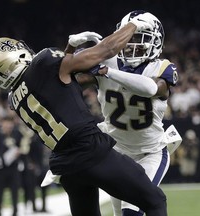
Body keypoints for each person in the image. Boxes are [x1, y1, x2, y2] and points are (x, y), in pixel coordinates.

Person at [0, 13, 169, 216]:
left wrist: (70, 48)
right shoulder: (43, 62)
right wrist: (134, 24)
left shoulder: (13, 99)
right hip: (91, 151)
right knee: (155, 201)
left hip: (66, 167)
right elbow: (106, 50)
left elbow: (61, 82)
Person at [74, 10, 182, 216]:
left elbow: (151, 88)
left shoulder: (162, 68)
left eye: (141, 39)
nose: (133, 45)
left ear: (156, 43)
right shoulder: (108, 61)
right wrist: (79, 52)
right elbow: (69, 79)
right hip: (116, 153)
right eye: (129, 39)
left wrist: (108, 72)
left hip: (150, 152)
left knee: (132, 212)